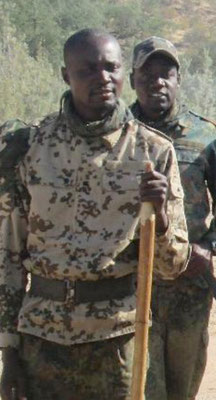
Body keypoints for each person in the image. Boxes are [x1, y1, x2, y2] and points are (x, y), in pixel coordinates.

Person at [0, 29, 190, 400]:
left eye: (111, 68)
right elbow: (9, 256)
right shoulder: (31, 148)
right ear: (66, 75)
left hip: (119, 341)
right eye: (88, 70)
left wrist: (161, 217)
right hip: (41, 341)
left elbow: (172, 266)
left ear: (124, 73)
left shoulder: (153, 153)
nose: (103, 78)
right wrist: (8, 350)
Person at [130, 36, 216, 400]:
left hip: (188, 286)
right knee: (139, 386)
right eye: (147, 75)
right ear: (132, 81)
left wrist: (209, 249)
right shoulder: (117, 135)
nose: (157, 82)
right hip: (130, 284)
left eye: (166, 74)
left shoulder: (205, 136)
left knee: (181, 389)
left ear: (179, 79)